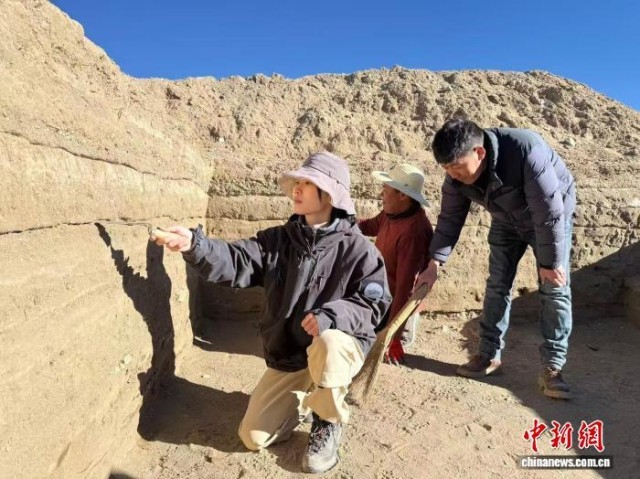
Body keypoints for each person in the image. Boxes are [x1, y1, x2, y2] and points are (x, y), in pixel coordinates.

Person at [153, 151, 391, 473]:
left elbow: (373, 304)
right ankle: (309, 395)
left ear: (330, 194)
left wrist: (331, 316)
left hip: (336, 349)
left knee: (329, 341)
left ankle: (328, 421)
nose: (297, 188)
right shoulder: (279, 241)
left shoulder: (359, 250)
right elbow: (236, 260)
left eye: (307, 183)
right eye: (297, 182)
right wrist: (195, 246)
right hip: (293, 357)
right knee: (252, 437)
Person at [417, 119, 576, 399]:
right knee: (497, 284)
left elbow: (548, 210)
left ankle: (553, 368)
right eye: (446, 169)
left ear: (479, 152)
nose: (452, 175)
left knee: (555, 288)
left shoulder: (526, 151)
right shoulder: (455, 176)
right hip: (506, 219)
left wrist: (550, 263)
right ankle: (488, 355)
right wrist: (434, 263)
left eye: (456, 167)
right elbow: (450, 219)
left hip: (551, 218)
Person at [358, 163, 434, 365]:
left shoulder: (413, 233)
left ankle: (403, 333)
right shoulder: (391, 213)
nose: (381, 195)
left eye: (385, 190)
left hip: (396, 307)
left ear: (402, 195)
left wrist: (393, 335)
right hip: (380, 294)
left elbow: (405, 289)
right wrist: (339, 222)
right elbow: (368, 226)